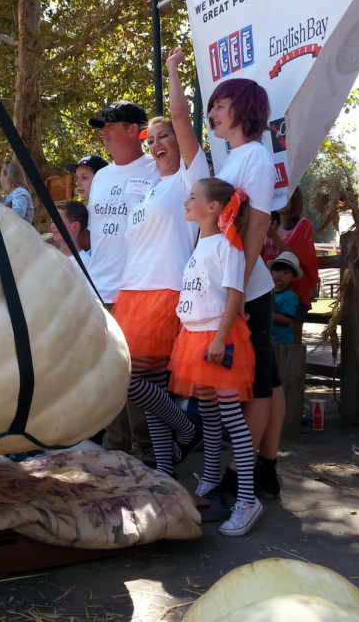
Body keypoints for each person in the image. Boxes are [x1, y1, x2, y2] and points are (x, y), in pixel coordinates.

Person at [112, 51, 209, 477]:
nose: (156, 144)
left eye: (163, 136)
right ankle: (165, 465)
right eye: (151, 140)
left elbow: (182, 117)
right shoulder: (151, 188)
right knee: (146, 385)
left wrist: (171, 69)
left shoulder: (192, 177)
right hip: (132, 292)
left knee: (133, 379)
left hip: (165, 288)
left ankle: (187, 430)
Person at [196, 73, 282, 509]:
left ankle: (238, 476)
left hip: (248, 289)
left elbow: (259, 224)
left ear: (244, 109)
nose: (212, 113)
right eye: (212, 105)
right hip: (232, 286)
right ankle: (264, 468)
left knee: (256, 385)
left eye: (220, 105)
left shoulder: (256, 158)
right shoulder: (233, 159)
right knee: (266, 379)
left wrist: (238, 287)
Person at [171, 177, 260, 536]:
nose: (186, 201)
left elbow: (234, 294)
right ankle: (209, 479)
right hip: (194, 337)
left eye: (193, 197)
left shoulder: (228, 244)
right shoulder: (202, 243)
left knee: (231, 418)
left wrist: (221, 338)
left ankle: (247, 499)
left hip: (217, 338)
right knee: (208, 412)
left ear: (212, 207)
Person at [86, 100, 161, 456]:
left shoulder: (157, 169)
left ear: (134, 130)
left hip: (138, 288)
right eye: (102, 126)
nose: (104, 132)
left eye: (111, 125)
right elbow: (96, 234)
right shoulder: (101, 177)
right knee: (107, 373)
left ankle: (149, 451)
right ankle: (115, 448)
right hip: (98, 289)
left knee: (138, 377)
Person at [261, 187, 319, 343]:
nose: (281, 200)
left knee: (292, 342)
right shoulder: (269, 224)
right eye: (277, 196)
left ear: (296, 200)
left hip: (293, 292)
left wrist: (273, 236)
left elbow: (295, 259)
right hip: (268, 289)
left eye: (286, 196)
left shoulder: (304, 224)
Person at [63, 154, 107, 252]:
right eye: (77, 178)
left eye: (84, 177)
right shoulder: (89, 209)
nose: (77, 183)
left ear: (102, 179)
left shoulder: (109, 211)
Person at [267, 252, 303, 346]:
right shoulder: (266, 292)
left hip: (282, 343)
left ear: (293, 277)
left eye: (285, 272)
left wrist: (266, 314)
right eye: (277, 271)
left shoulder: (290, 297)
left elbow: (287, 320)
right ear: (271, 272)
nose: (280, 275)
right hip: (268, 339)